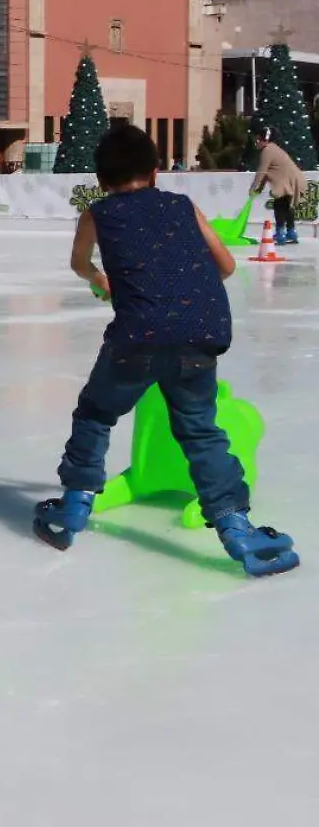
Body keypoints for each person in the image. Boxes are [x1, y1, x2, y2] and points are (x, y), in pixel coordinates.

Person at [33, 125, 298, 577]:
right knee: (200, 431)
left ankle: (74, 506)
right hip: (201, 332)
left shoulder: (96, 213)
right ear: (155, 172)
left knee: (96, 413)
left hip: (137, 337)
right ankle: (237, 529)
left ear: (101, 179)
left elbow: (80, 263)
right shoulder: (181, 205)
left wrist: (102, 280)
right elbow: (228, 265)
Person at [248, 128, 305, 246]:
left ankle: (281, 234)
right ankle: (291, 233)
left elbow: (262, 172)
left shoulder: (267, 151)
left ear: (265, 140)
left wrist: (253, 187)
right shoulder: (274, 148)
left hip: (287, 180)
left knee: (279, 205)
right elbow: (267, 173)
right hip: (294, 178)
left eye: (258, 140)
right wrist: (259, 189)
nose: (256, 142)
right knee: (286, 206)